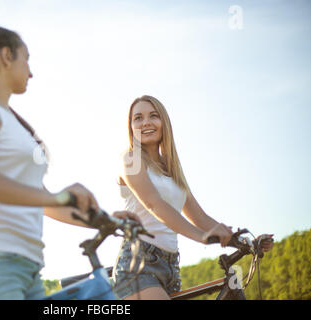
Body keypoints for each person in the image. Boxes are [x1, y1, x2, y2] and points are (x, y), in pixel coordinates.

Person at [0, 26, 135, 300]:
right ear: (6, 56)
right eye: (27, 59)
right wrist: (63, 197)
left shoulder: (16, 122)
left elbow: (44, 200)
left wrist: (106, 217)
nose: (31, 72)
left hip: (28, 269)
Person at [112, 95, 274, 300]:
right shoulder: (130, 158)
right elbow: (154, 204)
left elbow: (200, 217)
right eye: (138, 118)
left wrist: (245, 242)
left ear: (164, 122)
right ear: (131, 126)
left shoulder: (171, 170)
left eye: (153, 116)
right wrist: (200, 237)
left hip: (171, 266)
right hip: (137, 265)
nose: (146, 122)